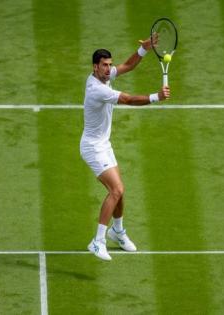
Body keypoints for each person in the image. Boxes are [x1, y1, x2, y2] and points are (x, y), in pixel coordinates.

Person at [80, 37, 170, 261]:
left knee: (120, 192)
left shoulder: (103, 76)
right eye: (105, 65)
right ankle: (98, 241)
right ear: (95, 67)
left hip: (104, 144)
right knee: (116, 190)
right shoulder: (96, 90)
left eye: (110, 65)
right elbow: (128, 100)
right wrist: (155, 97)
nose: (109, 69)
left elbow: (128, 66)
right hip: (93, 148)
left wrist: (144, 49)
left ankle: (117, 232)